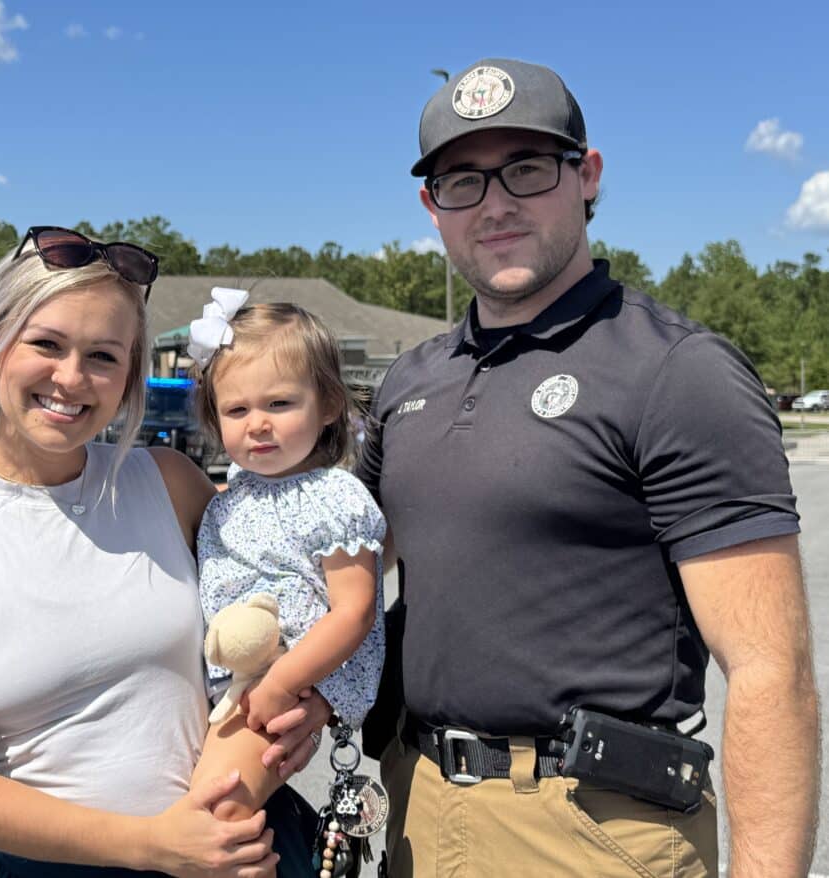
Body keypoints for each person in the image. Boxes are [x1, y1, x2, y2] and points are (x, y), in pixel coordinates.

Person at [356, 58, 820, 877]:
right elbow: (340, 570)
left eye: (527, 169)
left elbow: (769, 672)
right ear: (432, 207)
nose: (495, 203)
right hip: (416, 807)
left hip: (595, 830)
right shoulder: (410, 380)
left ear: (588, 175)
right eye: (463, 181)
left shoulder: (675, 371)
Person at [0, 226, 331, 878]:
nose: (71, 378)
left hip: (240, 849)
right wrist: (155, 846)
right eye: (46, 344)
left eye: (102, 356)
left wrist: (310, 699)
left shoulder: (170, 484)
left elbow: (301, 597)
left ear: (128, 375)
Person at [184, 290, 386, 819]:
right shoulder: (229, 497)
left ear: (329, 405)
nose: (257, 423)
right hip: (228, 686)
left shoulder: (335, 498)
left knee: (219, 808)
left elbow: (355, 611)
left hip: (283, 683)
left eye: (279, 404)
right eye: (237, 409)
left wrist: (283, 682)